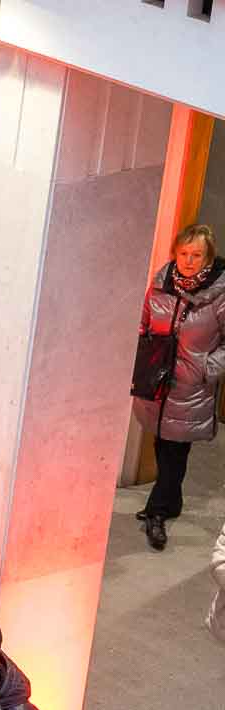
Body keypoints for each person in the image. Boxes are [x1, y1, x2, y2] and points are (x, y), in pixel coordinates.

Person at [134, 223, 225, 550]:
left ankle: (157, 512)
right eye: (184, 253)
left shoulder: (219, 295)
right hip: (157, 384)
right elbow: (144, 323)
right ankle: (172, 502)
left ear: (208, 257)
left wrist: (206, 368)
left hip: (191, 386)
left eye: (197, 254)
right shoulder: (160, 286)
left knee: (175, 452)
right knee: (162, 443)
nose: (189, 260)